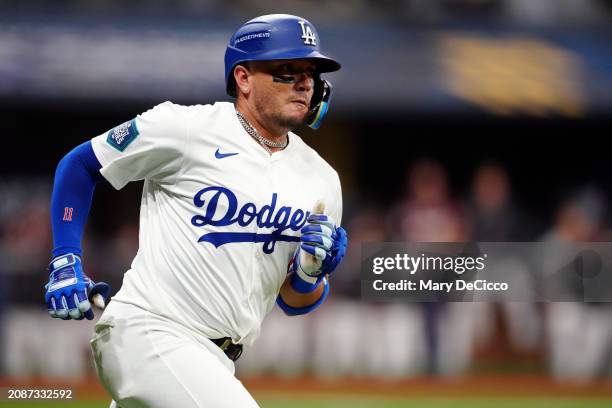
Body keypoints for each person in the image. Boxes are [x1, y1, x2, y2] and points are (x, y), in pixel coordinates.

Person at [44, 14, 347, 407]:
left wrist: (311, 271)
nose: (305, 82)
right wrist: (65, 257)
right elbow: (81, 165)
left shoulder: (322, 180)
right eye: (286, 70)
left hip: (216, 359)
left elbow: (292, 301)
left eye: (311, 72)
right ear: (243, 79)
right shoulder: (185, 128)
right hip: (151, 332)